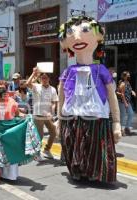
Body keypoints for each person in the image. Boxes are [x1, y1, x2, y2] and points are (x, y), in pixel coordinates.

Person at [58, 16, 121, 182]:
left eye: (85, 30)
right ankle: (78, 171)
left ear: (98, 36)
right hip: (72, 119)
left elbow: (112, 96)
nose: (77, 37)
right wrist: (59, 119)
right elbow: (61, 97)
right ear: (65, 42)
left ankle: (96, 173)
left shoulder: (101, 70)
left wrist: (116, 122)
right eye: (71, 33)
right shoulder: (67, 72)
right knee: (74, 148)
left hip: (96, 119)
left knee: (96, 149)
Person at [26, 71, 58, 160]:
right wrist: (33, 73)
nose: (44, 80)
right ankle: (37, 153)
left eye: (46, 78)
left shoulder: (53, 89)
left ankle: (47, 150)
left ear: (49, 79)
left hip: (48, 115)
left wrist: (52, 111)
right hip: (38, 115)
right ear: (40, 79)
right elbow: (27, 83)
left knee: (53, 132)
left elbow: (54, 102)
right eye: (42, 78)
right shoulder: (36, 86)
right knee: (40, 135)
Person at [118, 71, 136, 135]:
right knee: (123, 116)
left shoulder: (127, 82)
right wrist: (125, 103)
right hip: (123, 102)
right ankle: (121, 129)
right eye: (128, 76)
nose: (129, 76)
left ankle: (127, 128)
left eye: (129, 75)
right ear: (124, 77)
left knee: (131, 114)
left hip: (127, 101)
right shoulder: (122, 84)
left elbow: (129, 89)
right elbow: (122, 94)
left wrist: (132, 91)